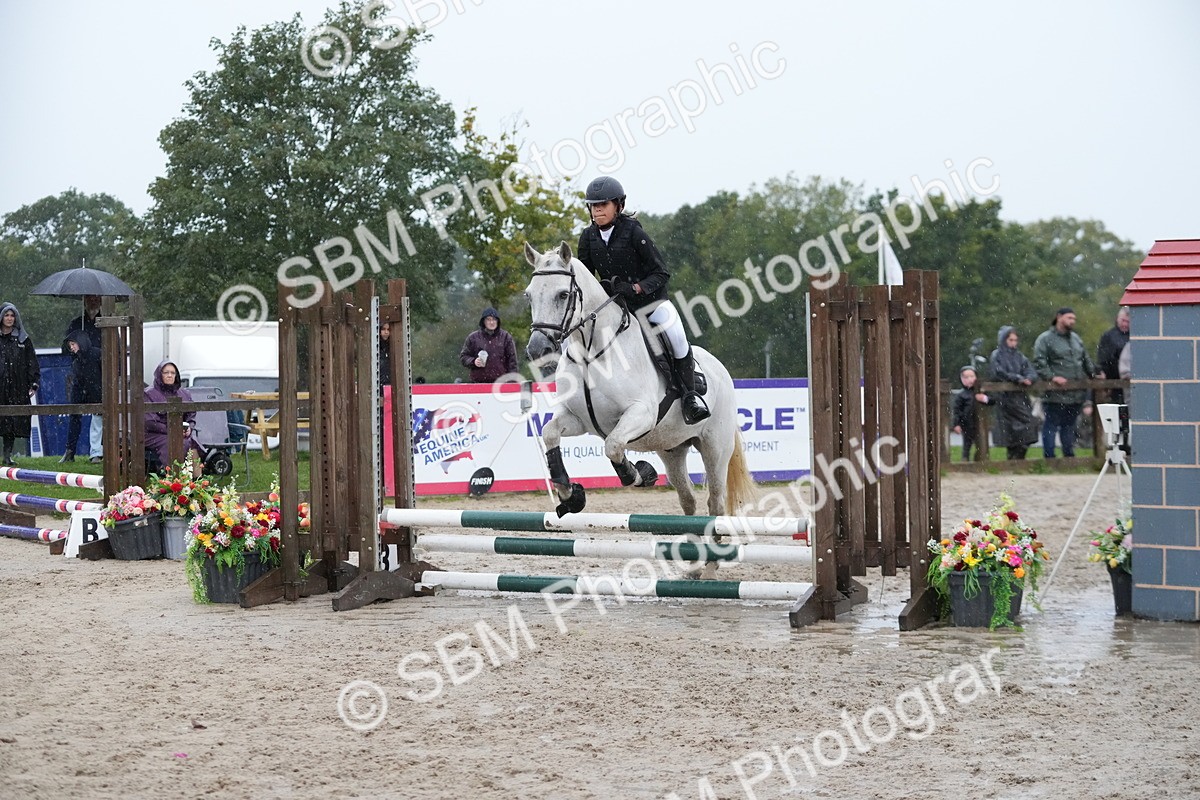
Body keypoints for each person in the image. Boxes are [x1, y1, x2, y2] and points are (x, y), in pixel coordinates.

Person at [575, 176, 710, 424]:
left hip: (651, 303)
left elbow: (661, 273)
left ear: (619, 206)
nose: (598, 210)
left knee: (677, 337)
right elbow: (584, 278)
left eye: (603, 204)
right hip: (617, 307)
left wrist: (636, 288)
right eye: (594, 205)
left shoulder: (634, 232)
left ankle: (690, 397)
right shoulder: (588, 237)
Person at [1033, 307, 1099, 458]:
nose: (1072, 321)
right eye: (1069, 318)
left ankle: (1068, 456)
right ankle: (1049, 457)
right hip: (1055, 393)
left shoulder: (1076, 339)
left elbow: (1085, 359)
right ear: (1059, 317)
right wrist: (1052, 377)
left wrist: (1093, 374)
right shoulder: (1045, 339)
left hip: (1075, 393)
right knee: (1051, 424)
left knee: (1069, 426)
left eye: (1074, 319)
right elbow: (1039, 361)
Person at [61, 296, 104, 463]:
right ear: (85, 301)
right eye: (90, 299)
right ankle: (70, 450)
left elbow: (117, 350)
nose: (93, 301)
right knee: (75, 412)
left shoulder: (106, 323)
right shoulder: (77, 323)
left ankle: (97, 452)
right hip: (80, 376)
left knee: (99, 415)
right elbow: (65, 349)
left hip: (99, 377)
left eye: (96, 299)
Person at [989, 325, 1039, 460]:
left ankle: (1018, 457)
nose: (1013, 343)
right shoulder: (997, 355)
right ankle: (1013, 458)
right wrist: (1016, 378)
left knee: (1027, 425)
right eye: (1010, 340)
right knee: (1011, 428)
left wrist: (1028, 378)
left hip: (1020, 397)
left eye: (1015, 340)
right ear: (1004, 340)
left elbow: (1030, 370)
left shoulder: (1019, 356)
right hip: (1005, 398)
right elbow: (998, 372)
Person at [144, 361, 203, 475]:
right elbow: (150, 421)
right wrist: (173, 431)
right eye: (166, 372)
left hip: (181, 432)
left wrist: (189, 427)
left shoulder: (184, 393)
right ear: (159, 375)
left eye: (172, 373)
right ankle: (174, 479)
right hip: (155, 434)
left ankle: (196, 481)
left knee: (192, 443)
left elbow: (191, 414)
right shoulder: (148, 394)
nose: (170, 375)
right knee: (173, 443)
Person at [0, 303, 40, 466]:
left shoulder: (23, 340)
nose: (9, 318)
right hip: (1, 385)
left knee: (12, 421)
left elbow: (32, 362)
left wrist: (34, 383)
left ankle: (7, 455)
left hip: (17, 386)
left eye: (12, 315)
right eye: (6, 315)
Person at [459, 307, 517, 383]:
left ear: (497, 321)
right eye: (488, 319)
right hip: (478, 384)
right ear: (483, 322)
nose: (492, 322)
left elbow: (512, 362)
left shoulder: (506, 337)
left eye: (494, 319)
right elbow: (464, 357)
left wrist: (512, 383)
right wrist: (473, 361)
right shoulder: (473, 338)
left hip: (501, 384)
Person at [951, 366, 991, 462]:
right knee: (967, 443)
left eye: (972, 376)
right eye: (966, 377)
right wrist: (956, 424)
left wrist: (984, 399)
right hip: (967, 423)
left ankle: (981, 460)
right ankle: (965, 459)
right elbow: (957, 411)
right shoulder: (961, 395)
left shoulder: (982, 392)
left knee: (982, 442)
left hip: (980, 423)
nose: (969, 379)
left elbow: (992, 401)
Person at [1096, 306, 1130, 404]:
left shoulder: (1135, 336)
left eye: (1128, 322)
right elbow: (1103, 358)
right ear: (1117, 319)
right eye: (1123, 320)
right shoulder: (1108, 336)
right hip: (1113, 380)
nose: (1125, 324)